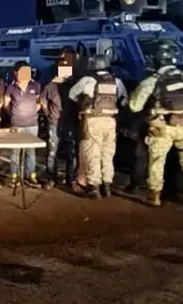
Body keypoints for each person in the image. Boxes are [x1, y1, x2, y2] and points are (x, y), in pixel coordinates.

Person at [128, 46, 183, 206]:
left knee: (157, 161)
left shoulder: (151, 81)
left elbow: (135, 107)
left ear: (157, 62)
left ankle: (155, 196)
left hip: (162, 126)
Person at [69, 54, 127, 199]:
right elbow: (124, 100)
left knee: (92, 153)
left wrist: (82, 104)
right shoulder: (117, 81)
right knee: (108, 153)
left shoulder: (88, 80)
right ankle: (107, 185)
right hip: (111, 121)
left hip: (93, 120)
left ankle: (94, 187)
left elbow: (72, 95)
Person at [40, 58, 79, 192]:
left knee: (71, 154)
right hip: (54, 123)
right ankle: (51, 179)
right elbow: (43, 102)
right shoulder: (50, 86)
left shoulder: (75, 85)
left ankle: (71, 180)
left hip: (71, 124)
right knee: (52, 152)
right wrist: (49, 115)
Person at [4, 61, 42, 188]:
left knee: (31, 151)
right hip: (16, 125)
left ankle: (30, 176)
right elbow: (6, 104)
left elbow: (39, 102)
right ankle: (14, 177)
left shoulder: (36, 85)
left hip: (32, 124)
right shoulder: (11, 87)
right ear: (15, 73)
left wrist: (32, 113)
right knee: (15, 151)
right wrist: (14, 114)